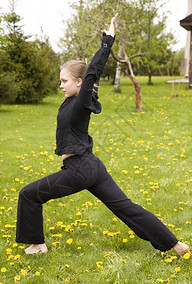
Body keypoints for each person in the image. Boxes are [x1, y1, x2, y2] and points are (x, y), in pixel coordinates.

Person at [16, 14, 190, 256]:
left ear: (79, 82)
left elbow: (92, 74)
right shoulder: (72, 102)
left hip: (79, 169)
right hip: (91, 167)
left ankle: (38, 245)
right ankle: (176, 245)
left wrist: (107, 42)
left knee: (28, 194)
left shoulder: (80, 102)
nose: (61, 85)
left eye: (64, 81)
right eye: (60, 81)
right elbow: (86, 84)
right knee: (127, 208)